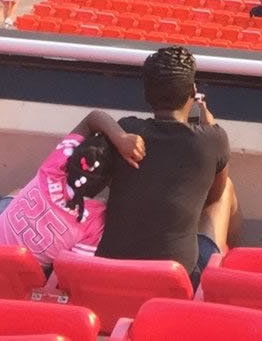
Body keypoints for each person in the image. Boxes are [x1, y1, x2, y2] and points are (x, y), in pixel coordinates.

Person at [95, 47, 235, 284]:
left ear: (147, 95)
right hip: (175, 279)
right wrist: (210, 131)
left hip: (111, 274)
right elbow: (213, 196)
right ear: (193, 92)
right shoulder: (213, 140)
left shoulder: (125, 129)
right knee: (226, 191)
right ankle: (225, 268)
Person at [0, 113, 144, 267]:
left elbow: (93, 119)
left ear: (71, 158)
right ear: (107, 182)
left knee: (16, 192)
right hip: (14, 281)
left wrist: (121, 138)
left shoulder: (52, 169)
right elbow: (68, 270)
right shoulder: (96, 222)